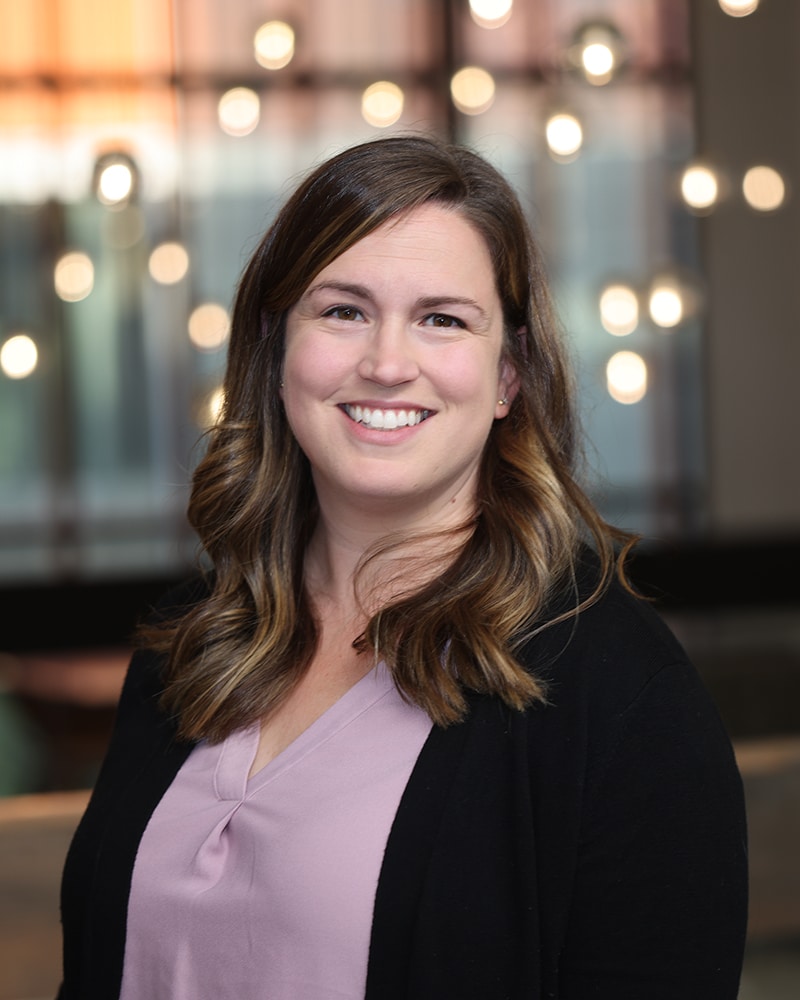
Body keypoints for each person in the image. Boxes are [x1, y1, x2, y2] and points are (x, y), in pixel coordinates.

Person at [57, 133, 748, 1000]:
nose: (387, 363)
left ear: (508, 378)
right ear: (277, 352)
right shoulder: (192, 637)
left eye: (442, 319)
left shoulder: (621, 692)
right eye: (343, 310)